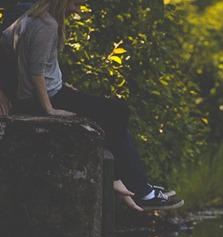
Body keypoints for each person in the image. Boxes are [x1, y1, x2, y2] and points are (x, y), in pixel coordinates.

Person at [0, 0, 184, 211]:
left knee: (114, 120)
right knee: (118, 111)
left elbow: (6, 45)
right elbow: (37, 73)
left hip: (48, 91)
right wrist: (49, 109)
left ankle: (142, 188)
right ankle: (119, 181)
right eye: (76, 4)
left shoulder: (29, 17)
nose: (79, 9)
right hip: (46, 96)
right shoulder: (47, 25)